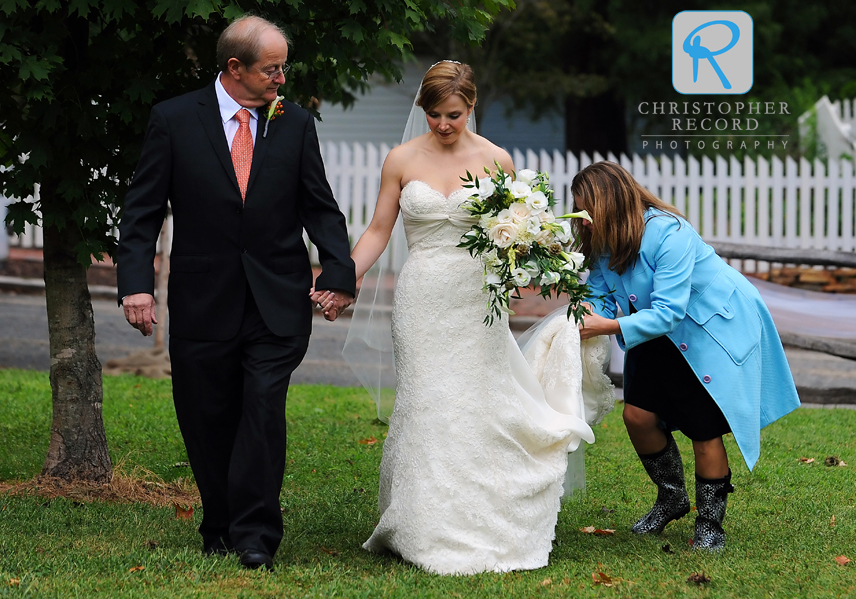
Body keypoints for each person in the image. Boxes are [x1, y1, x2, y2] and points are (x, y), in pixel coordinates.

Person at [317, 61, 602, 575]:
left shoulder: (497, 160)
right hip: (423, 298)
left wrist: (532, 263)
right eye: (433, 115)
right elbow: (380, 230)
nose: (442, 125)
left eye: (452, 114)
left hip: (477, 300)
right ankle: (422, 525)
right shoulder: (401, 158)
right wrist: (347, 277)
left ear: (471, 107)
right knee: (428, 402)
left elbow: (519, 231)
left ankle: (482, 520)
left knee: (475, 402)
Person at [117, 15, 356, 570]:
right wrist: (135, 286)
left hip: (278, 300)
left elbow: (318, 206)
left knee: (263, 407)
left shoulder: (295, 123)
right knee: (206, 414)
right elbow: (142, 211)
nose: (281, 78)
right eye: (272, 68)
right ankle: (219, 522)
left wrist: (338, 273)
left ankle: (255, 536)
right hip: (204, 299)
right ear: (234, 68)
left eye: (283, 66)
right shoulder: (174, 120)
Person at [572, 161, 800, 551]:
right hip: (652, 327)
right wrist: (578, 319)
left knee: (703, 428)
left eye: (587, 211)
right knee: (637, 416)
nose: (584, 221)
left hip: (706, 327)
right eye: (579, 211)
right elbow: (599, 299)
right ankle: (672, 498)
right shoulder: (603, 241)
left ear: (610, 204)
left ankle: (711, 524)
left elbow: (669, 312)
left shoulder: (668, 232)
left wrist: (605, 327)